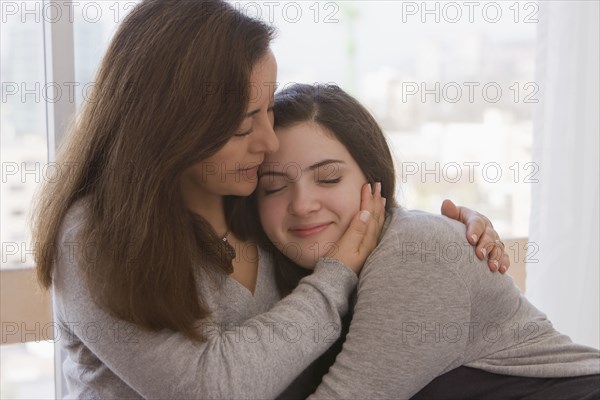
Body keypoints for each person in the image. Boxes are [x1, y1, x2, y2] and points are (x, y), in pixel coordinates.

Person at [33, 1, 508, 398]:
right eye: (243, 125)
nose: (268, 140)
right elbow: (211, 387)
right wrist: (335, 276)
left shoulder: (255, 200)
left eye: (268, 109)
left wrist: (452, 236)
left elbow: (355, 224)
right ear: (169, 128)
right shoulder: (96, 236)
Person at [255, 83, 600, 399]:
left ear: (375, 182)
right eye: (273, 186)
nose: (302, 205)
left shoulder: (415, 252)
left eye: (329, 179)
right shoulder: (295, 281)